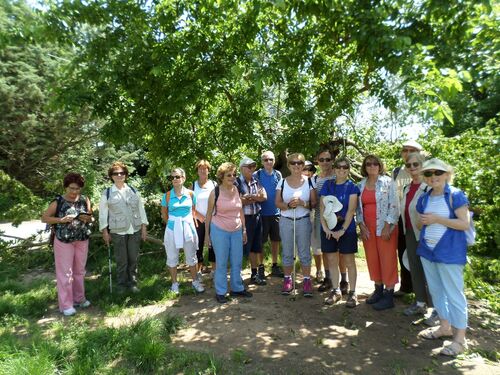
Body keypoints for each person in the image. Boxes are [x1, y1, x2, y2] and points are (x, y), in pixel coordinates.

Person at [416, 159, 470, 357]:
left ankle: (460, 340)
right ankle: (444, 327)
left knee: (454, 295)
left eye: (437, 172)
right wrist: (423, 223)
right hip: (428, 251)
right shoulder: (425, 197)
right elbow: (420, 224)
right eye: (428, 174)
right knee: (437, 292)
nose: (433, 177)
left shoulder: (455, 195)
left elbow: (464, 224)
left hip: (449, 253)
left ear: (447, 174)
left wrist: (436, 219)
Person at [42, 173, 93, 316]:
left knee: (80, 271)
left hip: (82, 239)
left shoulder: (84, 199)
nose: (74, 192)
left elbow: (91, 217)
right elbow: (44, 218)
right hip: (63, 241)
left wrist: (87, 218)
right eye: (71, 188)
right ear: (65, 187)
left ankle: (79, 299)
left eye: (77, 189)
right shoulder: (58, 201)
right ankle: (66, 305)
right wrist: (61, 220)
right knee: (65, 273)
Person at [357, 155, 399, 310]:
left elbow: (394, 205)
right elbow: (358, 207)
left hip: (385, 227)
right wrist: (361, 225)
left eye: (375, 163)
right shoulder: (360, 184)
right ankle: (378, 289)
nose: (372, 166)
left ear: (380, 166)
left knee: (387, 259)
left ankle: (389, 294)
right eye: (368, 164)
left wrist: (388, 226)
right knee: (372, 258)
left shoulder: (388, 182)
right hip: (368, 228)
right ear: (365, 167)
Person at [205, 162, 252, 303]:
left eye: (234, 175)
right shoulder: (215, 192)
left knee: (237, 261)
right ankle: (220, 292)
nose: (232, 177)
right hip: (219, 230)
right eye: (228, 175)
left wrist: (244, 230)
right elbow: (208, 215)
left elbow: (240, 211)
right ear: (221, 177)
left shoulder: (237, 189)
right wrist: (207, 235)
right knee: (221, 262)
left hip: (237, 230)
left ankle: (237, 288)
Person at [99, 162, 148, 294]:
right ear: (112, 176)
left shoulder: (132, 190)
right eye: (116, 173)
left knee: (133, 259)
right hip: (117, 231)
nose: (119, 175)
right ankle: (121, 285)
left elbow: (141, 208)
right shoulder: (107, 193)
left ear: (126, 175)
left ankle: (132, 283)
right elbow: (103, 214)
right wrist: (104, 231)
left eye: (122, 173)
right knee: (122, 260)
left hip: (135, 229)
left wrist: (144, 227)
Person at [319, 157, 360, 308]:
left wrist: (341, 231)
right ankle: (336, 291)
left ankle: (353, 293)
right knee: (331, 261)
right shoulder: (328, 185)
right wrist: (325, 228)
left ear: (348, 170)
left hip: (346, 230)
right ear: (335, 168)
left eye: (345, 167)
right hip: (328, 229)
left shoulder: (352, 187)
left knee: (349, 262)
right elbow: (322, 207)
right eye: (339, 167)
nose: (342, 170)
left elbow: (351, 211)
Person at [275, 153, 317, 297]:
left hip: (303, 220)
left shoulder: (310, 181)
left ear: (303, 165)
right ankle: (288, 280)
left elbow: (314, 203)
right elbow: (277, 203)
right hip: (286, 220)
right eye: (293, 163)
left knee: (304, 252)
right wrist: (288, 205)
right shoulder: (282, 182)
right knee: (287, 251)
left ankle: (306, 281)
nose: (296, 165)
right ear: (288, 165)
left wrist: (302, 203)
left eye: (299, 163)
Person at [400, 153, 434, 317]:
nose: (412, 168)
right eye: (409, 165)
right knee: (415, 267)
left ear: (423, 165)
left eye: (416, 164)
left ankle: (436, 308)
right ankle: (420, 302)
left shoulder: (429, 187)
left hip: (427, 234)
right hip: (410, 232)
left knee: (431, 270)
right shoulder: (407, 187)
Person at [161, 168, 205, 295]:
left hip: (188, 228)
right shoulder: (167, 196)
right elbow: (164, 214)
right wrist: (173, 224)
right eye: (172, 177)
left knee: (192, 256)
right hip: (172, 229)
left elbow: (193, 211)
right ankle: (174, 284)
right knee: (172, 256)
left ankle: (195, 281)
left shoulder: (191, 194)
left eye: (177, 177)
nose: (174, 179)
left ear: (183, 178)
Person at [393, 140, 424, 297]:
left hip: (421, 218)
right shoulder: (397, 171)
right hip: (402, 217)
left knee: (423, 257)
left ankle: (425, 294)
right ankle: (406, 287)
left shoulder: (427, 170)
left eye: (412, 149)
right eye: (405, 150)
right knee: (403, 252)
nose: (408, 152)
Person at [236, 157, 267, 285]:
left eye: (253, 166)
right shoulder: (236, 182)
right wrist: (255, 198)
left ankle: (254, 274)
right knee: (242, 248)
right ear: (242, 168)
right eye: (249, 166)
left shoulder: (256, 180)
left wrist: (250, 197)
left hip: (256, 217)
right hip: (243, 219)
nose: (252, 169)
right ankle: (237, 276)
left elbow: (264, 197)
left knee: (255, 246)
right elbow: (237, 201)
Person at [254, 151, 284, 277]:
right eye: (266, 160)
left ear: (274, 161)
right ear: (262, 162)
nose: (268, 162)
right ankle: (260, 266)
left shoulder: (278, 174)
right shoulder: (257, 174)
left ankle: (275, 265)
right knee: (261, 241)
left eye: (271, 159)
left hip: (276, 213)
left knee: (275, 240)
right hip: (261, 214)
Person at [311, 149, 335, 291]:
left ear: (332, 161)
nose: (324, 162)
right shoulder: (315, 179)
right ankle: (328, 278)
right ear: (317, 161)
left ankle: (342, 280)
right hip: (321, 219)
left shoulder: (338, 175)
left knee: (338, 252)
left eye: (327, 159)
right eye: (321, 159)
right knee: (325, 250)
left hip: (337, 219)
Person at [192, 160, 217, 279]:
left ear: (208, 170)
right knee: (198, 246)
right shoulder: (192, 186)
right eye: (200, 168)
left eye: (205, 168)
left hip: (213, 220)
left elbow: (219, 202)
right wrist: (200, 216)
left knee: (214, 245)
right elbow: (189, 205)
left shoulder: (214, 184)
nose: (202, 170)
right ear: (197, 171)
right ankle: (198, 271)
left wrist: (211, 217)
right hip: (198, 220)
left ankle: (214, 270)